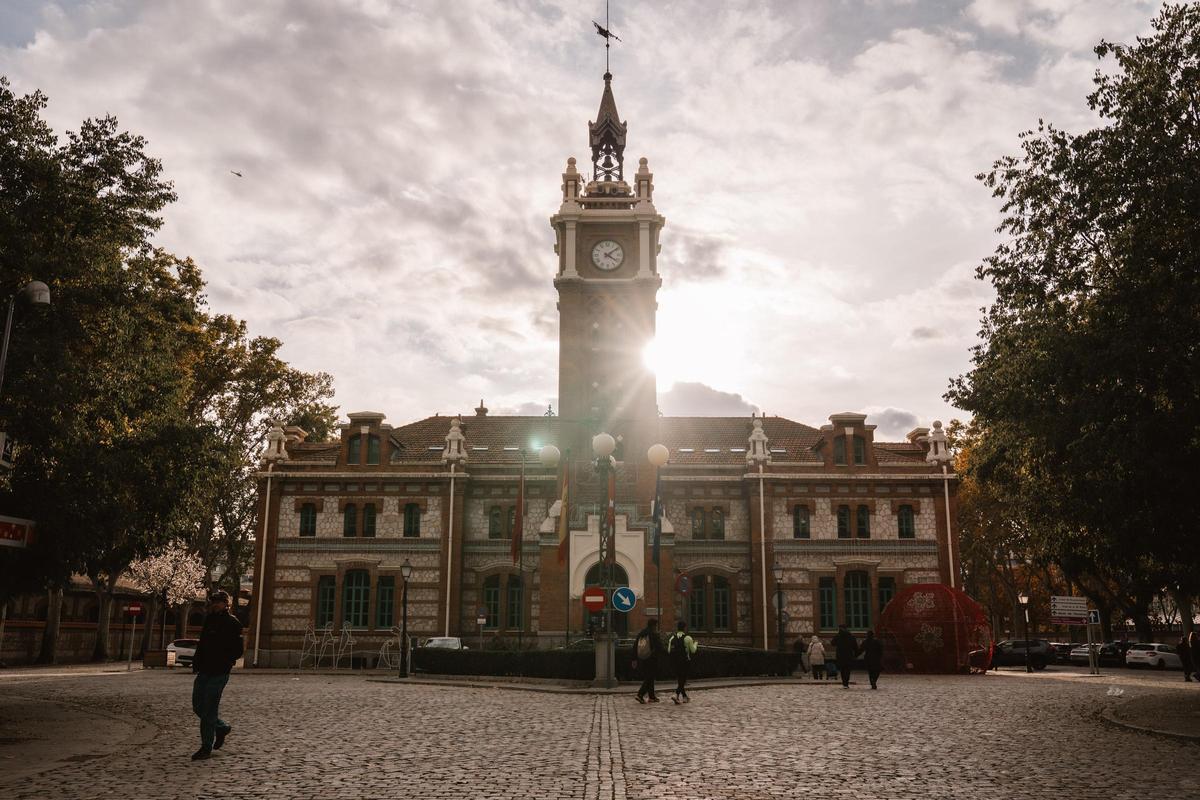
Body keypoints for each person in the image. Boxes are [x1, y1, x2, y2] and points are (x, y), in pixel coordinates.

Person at [190, 591, 245, 760]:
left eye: (217, 602)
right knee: (198, 705)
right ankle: (221, 727)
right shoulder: (209, 620)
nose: (214, 604)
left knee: (209, 709)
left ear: (225, 604)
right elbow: (203, 643)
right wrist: (197, 662)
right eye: (213, 602)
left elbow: (238, 649)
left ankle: (206, 747)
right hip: (205, 669)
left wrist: (226, 661)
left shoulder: (233, 623)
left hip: (220, 671)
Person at [634, 618, 663, 704]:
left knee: (649, 676)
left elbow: (635, 645)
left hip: (642, 658)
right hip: (652, 659)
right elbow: (659, 647)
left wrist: (634, 658)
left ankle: (652, 697)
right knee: (650, 677)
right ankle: (640, 694)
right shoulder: (653, 634)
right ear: (654, 625)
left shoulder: (641, 633)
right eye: (656, 625)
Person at [667, 621, 698, 703]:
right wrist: (695, 643)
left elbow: (669, 650)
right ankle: (676, 694)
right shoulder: (688, 638)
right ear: (684, 628)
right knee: (683, 679)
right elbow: (693, 650)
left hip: (674, 662)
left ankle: (684, 697)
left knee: (680, 679)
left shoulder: (672, 638)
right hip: (685, 661)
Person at [831, 624, 859, 689]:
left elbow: (832, 643)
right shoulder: (851, 636)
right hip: (849, 655)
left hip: (840, 656)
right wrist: (856, 655)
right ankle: (846, 682)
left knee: (842, 670)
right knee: (847, 670)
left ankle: (844, 683)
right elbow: (855, 646)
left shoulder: (838, 636)